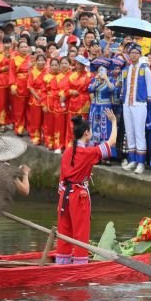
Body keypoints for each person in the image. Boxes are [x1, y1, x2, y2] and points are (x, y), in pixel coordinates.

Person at [55, 110, 117, 265]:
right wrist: (114, 122)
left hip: (64, 197)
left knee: (64, 232)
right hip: (78, 196)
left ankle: (61, 263)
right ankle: (80, 265)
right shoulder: (88, 152)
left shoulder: (68, 151)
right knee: (81, 233)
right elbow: (111, 143)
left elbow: (62, 179)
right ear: (87, 133)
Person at [121, 43, 151, 174]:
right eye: (131, 53)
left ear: (140, 54)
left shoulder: (145, 68)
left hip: (139, 104)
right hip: (127, 104)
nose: (134, 55)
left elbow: (150, 86)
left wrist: (147, 100)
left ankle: (141, 163)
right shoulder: (126, 69)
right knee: (129, 132)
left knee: (139, 133)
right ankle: (132, 160)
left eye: (136, 53)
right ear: (128, 55)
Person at [88, 58, 115, 159]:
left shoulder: (111, 80)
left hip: (105, 107)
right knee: (94, 129)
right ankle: (94, 153)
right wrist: (96, 80)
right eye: (99, 70)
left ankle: (106, 155)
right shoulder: (94, 80)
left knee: (105, 130)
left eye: (103, 70)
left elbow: (112, 89)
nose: (101, 72)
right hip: (95, 107)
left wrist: (106, 78)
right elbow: (90, 89)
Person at [9, 41, 32, 135]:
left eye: (25, 47)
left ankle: (29, 128)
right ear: (18, 49)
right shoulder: (14, 59)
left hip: (30, 86)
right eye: (21, 47)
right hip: (19, 85)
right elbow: (11, 73)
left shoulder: (31, 59)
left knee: (29, 109)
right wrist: (13, 85)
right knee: (19, 109)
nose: (23, 48)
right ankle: (19, 127)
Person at [27, 54, 48, 145]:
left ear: (45, 61)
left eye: (42, 60)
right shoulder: (32, 71)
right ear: (36, 61)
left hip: (46, 97)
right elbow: (30, 86)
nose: (41, 62)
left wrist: (43, 97)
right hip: (35, 97)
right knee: (35, 119)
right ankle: (35, 137)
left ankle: (46, 138)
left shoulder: (48, 72)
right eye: (39, 60)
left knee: (46, 120)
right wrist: (37, 96)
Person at [0, 36, 13, 130]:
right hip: (1, 81)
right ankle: (2, 122)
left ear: (11, 43)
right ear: (2, 44)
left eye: (8, 43)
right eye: (5, 43)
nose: (7, 45)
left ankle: (10, 121)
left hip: (12, 81)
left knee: (10, 103)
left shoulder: (14, 54)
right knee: (1, 102)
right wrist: (4, 68)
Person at [43, 58, 60, 150]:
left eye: (56, 65)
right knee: (48, 124)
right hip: (49, 102)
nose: (54, 67)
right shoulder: (46, 77)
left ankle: (57, 143)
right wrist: (44, 104)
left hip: (58, 103)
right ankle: (49, 142)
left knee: (57, 125)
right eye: (52, 65)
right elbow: (43, 92)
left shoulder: (61, 77)